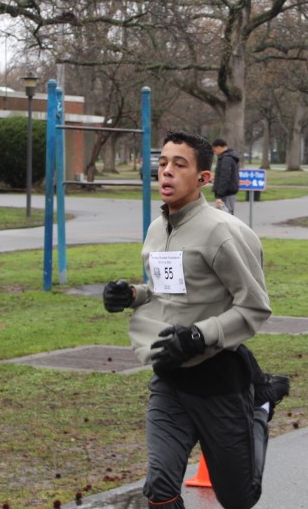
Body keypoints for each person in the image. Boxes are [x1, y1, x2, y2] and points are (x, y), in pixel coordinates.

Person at [102, 130, 289, 509]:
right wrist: (133, 295)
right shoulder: (157, 228)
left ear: (203, 178)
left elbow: (255, 306)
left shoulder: (223, 232)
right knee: (159, 490)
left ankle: (260, 407)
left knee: (238, 498)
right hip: (169, 379)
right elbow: (167, 289)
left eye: (179, 164)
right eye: (162, 163)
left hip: (218, 382)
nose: (166, 171)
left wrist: (198, 336)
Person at [211, 138, 240, 214]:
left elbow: (225, 177)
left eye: (214, 150)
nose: (214, 152)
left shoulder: (226, 159)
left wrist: (219, 195)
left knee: (225, 214)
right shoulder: (229, 157)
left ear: (218, 147)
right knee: (226, 213)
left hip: (226, 193)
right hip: (228, 192)